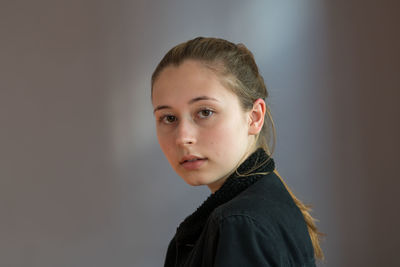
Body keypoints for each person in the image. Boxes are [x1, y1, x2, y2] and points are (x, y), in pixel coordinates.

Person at [151, 37, 324, 267]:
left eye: (205, 112)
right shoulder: (262, 206)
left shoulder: (240, 224)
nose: (183, 137)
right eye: (169, 118)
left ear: (254, 117)